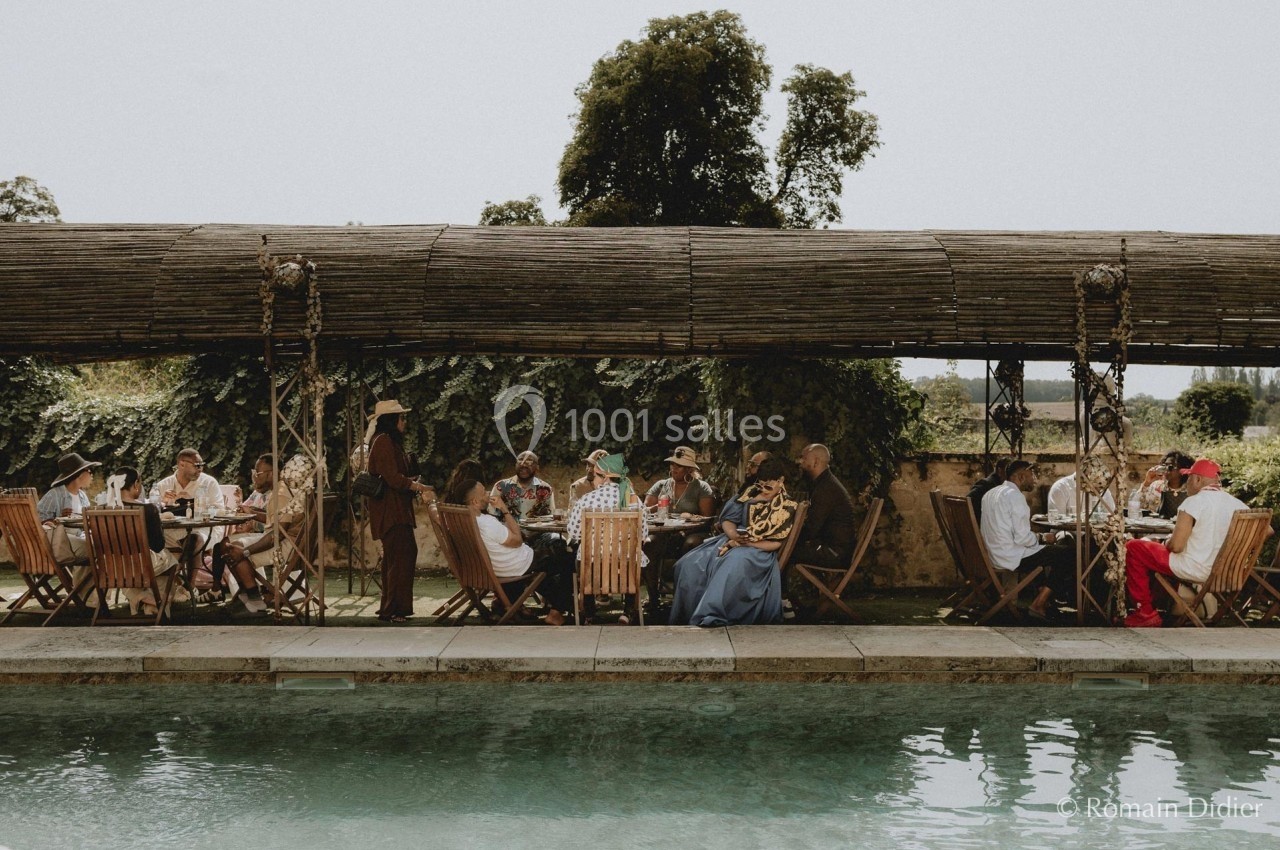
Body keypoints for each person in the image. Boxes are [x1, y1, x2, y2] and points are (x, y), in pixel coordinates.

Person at [1123, 457, 1266, 628]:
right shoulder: (1236, 503)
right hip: (1227, 573)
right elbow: (1268, 530)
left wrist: (1167, 542)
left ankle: (1144, 612)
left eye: (1189, 478)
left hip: (1194, 568)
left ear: (1198, 479)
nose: (1186, 483)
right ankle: (1159, 607)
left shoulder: (1193, 502)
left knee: (1134, 547)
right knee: (1151, 549)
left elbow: (1176, 547)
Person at [669, 457, 798, 626]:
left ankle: (710, 614)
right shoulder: (751, 492)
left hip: (758, 551)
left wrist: (746, 543)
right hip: (733, 539)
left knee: (730, 565)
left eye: (768, 486)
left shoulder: (786, 505)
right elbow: (728, 518)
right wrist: (734, 535)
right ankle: (686, 615)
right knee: (689, 564)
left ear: (781, 481)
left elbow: (776, 543)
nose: (764, 490)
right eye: (761, 484)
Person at [459, 479, 572, 625]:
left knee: (544, 572)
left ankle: (554, 606)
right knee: (568, 559)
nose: (488, 494)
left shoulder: (463, 520)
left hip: (497, 568)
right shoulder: (486, 523)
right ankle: (557, 611)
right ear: (475, 501)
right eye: (484, 492)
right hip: (516, 565)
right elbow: (517, 539)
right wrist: (504, 509)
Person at [365, 400, 434, 623]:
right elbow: (392, 478)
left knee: (397, 557)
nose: (404, 422)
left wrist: (411, 481)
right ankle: (393, 610)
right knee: (399, 557)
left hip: (395, 509)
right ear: (392, 421)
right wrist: (417, 486)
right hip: (390, 511)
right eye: (401, 418)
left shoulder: (387, 441)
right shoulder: (384, 441)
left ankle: (393, 607)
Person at [980, 460, 1075, 620]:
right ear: (1021, 476)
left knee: (1045, 553)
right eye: (1032, 475)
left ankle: (1044, 600)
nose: (1035, 479)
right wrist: (1043, 537)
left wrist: (1039, 541)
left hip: (993, 554)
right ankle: (1039, 603)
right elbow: (1023, 538)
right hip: (1010, 557)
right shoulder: (1015, 497)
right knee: (1068, 554)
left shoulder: (991, 493)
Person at [565, 452, 648, 623]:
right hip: (625, 563)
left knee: (582, 557)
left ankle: (590, 614)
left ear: (604, 478)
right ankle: (627, 613)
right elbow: (644, 534)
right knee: (635, 558)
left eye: (595, 475)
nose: (593, 479)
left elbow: (573, 533)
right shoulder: (634, 500)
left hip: (592, 563)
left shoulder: (586, 500)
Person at [213, 453, 296, 612]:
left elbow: (276, 535)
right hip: (280, 540)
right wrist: (252, 512)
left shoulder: (281, 494)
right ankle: (246, 594)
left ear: (272, 473)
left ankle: (255, 602)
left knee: (233, 549)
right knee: (224, 544)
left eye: (257, 474)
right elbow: (275, 521)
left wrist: (246, 552)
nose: (254, 478)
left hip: (285, 547)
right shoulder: (278, 490)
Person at [107, 467, 182, 616]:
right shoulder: (148, 509)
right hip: (142, 565)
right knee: (173, 561)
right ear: (136, 484)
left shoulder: (102, 509)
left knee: (135, 569)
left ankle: (145, 602)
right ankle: (153, 603)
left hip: (111, 565)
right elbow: (158, 545)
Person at [793, 444, 857, 569]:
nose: (800, 462)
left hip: (834, 553)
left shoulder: (826, 489)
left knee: (784, 551)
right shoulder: (825, 483)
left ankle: (777, 589)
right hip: (833, 548)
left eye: (804, 458)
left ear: (816, 461)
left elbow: (811, 529)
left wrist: (786, 537)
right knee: (784, 549)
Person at [152, 447, 227, 552]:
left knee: (193, 540)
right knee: (153, 537)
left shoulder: (209, 482)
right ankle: (174, 566)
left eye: (202, 465)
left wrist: (200, 509)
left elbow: (220, 510)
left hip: (205, 528)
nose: (200, 469)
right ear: (182, 465)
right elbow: (153, 513)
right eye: (197, 466)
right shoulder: (163, 485)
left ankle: (191, 568)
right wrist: (163, 502)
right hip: (173, 530)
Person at [37, 452, 100, 565]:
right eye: (89, 471)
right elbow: (38, 522)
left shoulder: (82, 496)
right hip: (61, 541)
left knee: (105, 545)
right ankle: (85, 582)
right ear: (78, 475)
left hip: (80, 535)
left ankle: (83, 582)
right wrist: (58, 519)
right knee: (98, 550)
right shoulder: (54, 494)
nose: (92, 476)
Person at [644, 446, 715, 517]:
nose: (674, 468)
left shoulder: (701, 487)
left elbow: (707, 519)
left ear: (690, 469)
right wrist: (658, 507)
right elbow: (643, 512)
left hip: (692, 528)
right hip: (663, 527)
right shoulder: (661, 485)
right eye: (672, 464)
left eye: (679, 465)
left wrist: (690, 518)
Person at [491, 451, 555, 521]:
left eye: (529, 461)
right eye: (520, 460)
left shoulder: (545, 489)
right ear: (515, 465)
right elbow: (491, 515)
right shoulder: (501, 487)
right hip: (507, 530)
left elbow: (551, 516)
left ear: (537, 467)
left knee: (553, 533)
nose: (524, 465)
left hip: (537, 531)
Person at [1136, 450, 1195, 519]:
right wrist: (1147, 483)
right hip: (1156, 528)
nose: (1166, 470)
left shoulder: (1191, 490)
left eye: (1170, 467)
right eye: (1164, 466)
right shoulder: (1156, 486)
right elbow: (1137, 506)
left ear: (1182, 470)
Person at [1046, 471, 1117, 518]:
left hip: (1095, 532)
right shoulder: (1060, 487)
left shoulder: (1101, 487)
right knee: (1066, 538)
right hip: (1067, 531)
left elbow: (1111, 514)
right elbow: (1057, 519)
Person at [966, 457, 1010, 523]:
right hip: (984, 527)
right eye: (1009, 471)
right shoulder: (990, 486)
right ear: (1000, 471)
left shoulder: (989, 483)